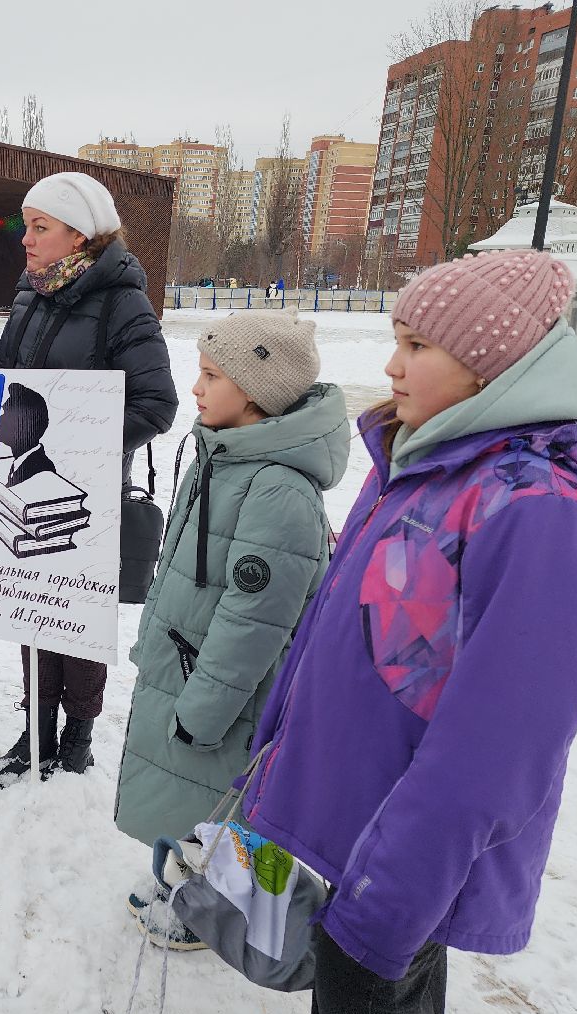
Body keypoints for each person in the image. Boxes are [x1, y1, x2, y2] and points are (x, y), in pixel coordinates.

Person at [240, 249, 577, 1014]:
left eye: (417, 345)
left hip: (399, 865)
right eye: (396, 339)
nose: (391, 364)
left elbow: (499, 753)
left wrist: (391, 897)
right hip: (350, 833)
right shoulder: (426, 464)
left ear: (491, 366)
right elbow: (341, 636)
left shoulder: (540, 511)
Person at [114, 311, 350, 947]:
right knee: (191, 796)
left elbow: (253, 624)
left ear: (255, 392)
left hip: (226, 692)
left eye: (211, 375)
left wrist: (205, 707)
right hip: (188, 664)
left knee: (225, 805)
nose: (195, 388)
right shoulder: (224, 453)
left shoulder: (277, 494)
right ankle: (189, 890)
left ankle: (219, 916)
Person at [0, 171, 179, 785]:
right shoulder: (29, 297)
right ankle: (36, 735)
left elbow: (158, 405)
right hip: (22, 479)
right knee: (31, 611)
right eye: (25, 226)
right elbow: (8, 382)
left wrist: (82, 443)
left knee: (77, 623)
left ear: (78, 235)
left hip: (87, 495)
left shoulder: (122, 301)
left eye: (38, 227)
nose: (23, 239)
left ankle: (76, 741)